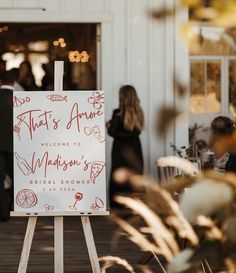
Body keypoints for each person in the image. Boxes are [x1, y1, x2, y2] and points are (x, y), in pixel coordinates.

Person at [107, 85, 144, 207]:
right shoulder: (139, 113)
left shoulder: (117, 113)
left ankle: (117, 205)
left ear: (122, 97)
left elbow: (112, 132)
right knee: (134, 174)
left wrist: (109, 125)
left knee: (118, 175)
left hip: (120, 149)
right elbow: (137, 131)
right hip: (134, 147)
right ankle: (134, 205)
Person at [0, 70, 14, 221]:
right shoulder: (21, 99)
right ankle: (15, 207)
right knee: (15, 177)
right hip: (15, 144)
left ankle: (2, 212)